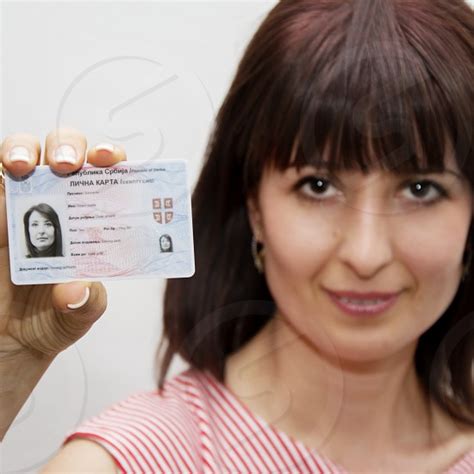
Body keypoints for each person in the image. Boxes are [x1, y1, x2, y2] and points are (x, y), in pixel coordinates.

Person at [0, 0, 473, 472]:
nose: (366, 254)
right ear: (255, 205)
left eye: (420, 188)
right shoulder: (129, 463)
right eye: (318, 185)